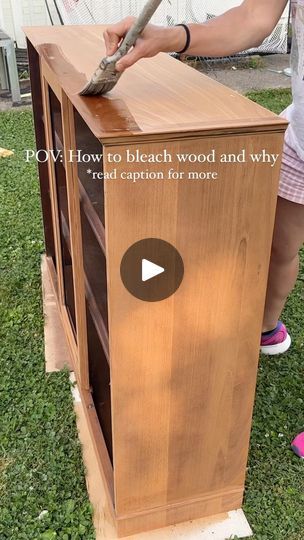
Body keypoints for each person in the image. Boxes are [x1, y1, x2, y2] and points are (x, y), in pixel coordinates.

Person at [104, 0, 304, 456]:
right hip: (303, 133)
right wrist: (171, 38)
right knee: (278, 242)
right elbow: (254, 18)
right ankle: (266, 327)